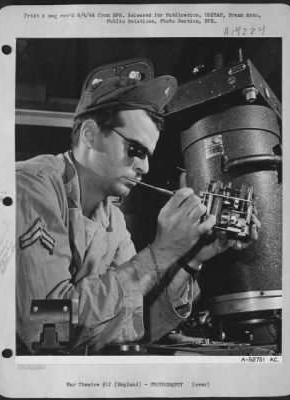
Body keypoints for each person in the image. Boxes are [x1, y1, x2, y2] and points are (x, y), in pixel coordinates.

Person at [16, 72, 260, 354]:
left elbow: (138, 323)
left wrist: (192, 258)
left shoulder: (112, 219)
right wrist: (161, 251)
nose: (143, 167)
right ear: (90, 135)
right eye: (135, 149)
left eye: (147, 155)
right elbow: (45, 331)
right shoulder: (30, 188)